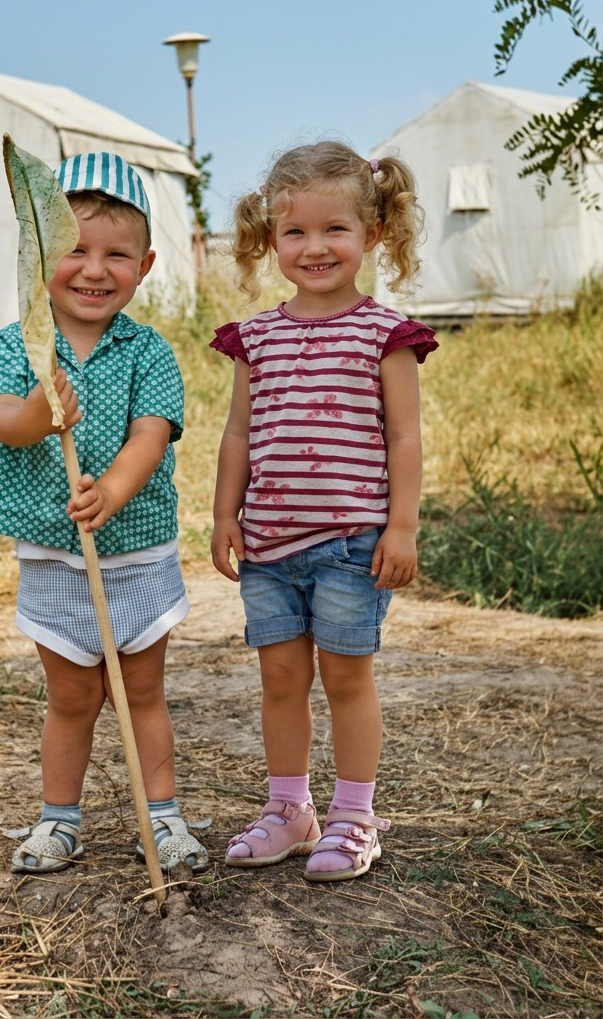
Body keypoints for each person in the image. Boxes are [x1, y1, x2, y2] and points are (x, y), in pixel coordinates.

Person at [0, 152, 208, 875]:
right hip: (53, 554)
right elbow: (3, 422)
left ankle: (160, 818)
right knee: (72, 696)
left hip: (136, 551)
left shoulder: (149, 352)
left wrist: (110, 490)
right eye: (74, 250)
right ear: (39, 256)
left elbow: (152, 435)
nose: (95, 270)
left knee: (141, 691)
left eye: (117, 255)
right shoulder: (14, 345)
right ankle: (59, 820)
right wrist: (39, 414)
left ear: (146, 265)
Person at [210, 140, 437, 881]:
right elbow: (238, 433)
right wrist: (224, 515)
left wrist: (402, 526)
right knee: (281, 679)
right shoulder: (256, 338)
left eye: (334, 229)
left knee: (345, 679)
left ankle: (353, 816)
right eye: (296, 232)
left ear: (373, 232)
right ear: (271, 238)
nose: (315, 247)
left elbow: (404, 436)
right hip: (270, 547)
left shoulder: (384, 334)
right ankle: (290, 810)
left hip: (350, 543)